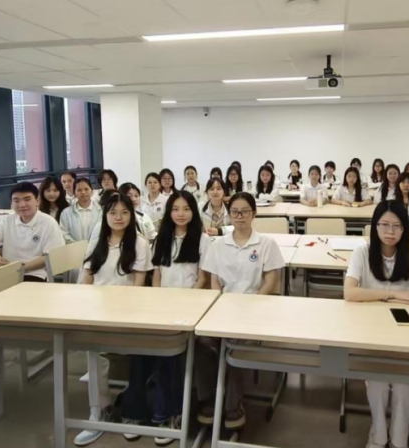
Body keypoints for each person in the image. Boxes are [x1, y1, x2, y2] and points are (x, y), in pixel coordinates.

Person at [344, 200, 409, 448]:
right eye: (384, 224)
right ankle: (378, 434)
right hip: (371, 332)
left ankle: (399, 439)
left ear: (405, 229)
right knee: (376, 381)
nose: (390, 231)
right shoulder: (362, 252)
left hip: (406, 333)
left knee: (404, 384)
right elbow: (350, 292)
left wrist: (375, 296)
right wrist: (394, 294)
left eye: (397, 226)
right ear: (374, 226)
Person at [197, 193, 285, 429]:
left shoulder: (266, 244)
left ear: (253, 213)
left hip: (254, 312)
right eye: (235, 211)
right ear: (229, 214)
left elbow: (271, 282)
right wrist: (219, 307)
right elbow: (214, 282)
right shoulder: (218, 245)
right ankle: (208, 399)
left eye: (245, 211)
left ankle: (232, 405)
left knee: (236, 345)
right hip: (223, 310)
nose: (240, 216)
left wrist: (253, 305)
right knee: (203, 343)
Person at [75, 192, 153, 446]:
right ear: (105, 215)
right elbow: (87, 279)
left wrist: (124, 314)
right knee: (93, 350)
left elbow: (139, 286)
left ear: (132, 215)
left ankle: (133, 410)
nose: (118, 217)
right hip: (98, 312)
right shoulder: (98, 242)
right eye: (113, 213)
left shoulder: (139, 244)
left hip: (128, 313)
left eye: (124, 212)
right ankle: (100, 409)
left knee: (138, 353)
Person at [144, 191, 210, 442]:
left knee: (175, 357)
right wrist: (157, 302)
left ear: (193, 211)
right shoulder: (162, 238)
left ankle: (171, 412)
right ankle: (163, 410)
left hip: (191, 309)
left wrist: (188, 306)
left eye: (186, 208)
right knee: (162, 356)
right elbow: (157, 276)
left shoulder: (202, 240)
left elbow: (203, 279)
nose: (180, 214)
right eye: (175, 209)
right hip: (164, 308)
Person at [0, 182, 64, 281]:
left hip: (35, 273)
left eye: (27, 199)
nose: (22, 205)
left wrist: (20, 268)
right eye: (16, 200)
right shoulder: (8, 220)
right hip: (6, 272)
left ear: (37, 201)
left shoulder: (48, 223)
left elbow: (51, 256)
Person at [59, 178, 101, 243]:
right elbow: (64, 233)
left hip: (97, 247)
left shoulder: (101, 211)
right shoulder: (66, 213)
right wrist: (79, 246)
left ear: (92, 191)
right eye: (79, 190)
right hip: (75, 248)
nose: (83, 192)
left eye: (86, 189)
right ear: (74, 193)